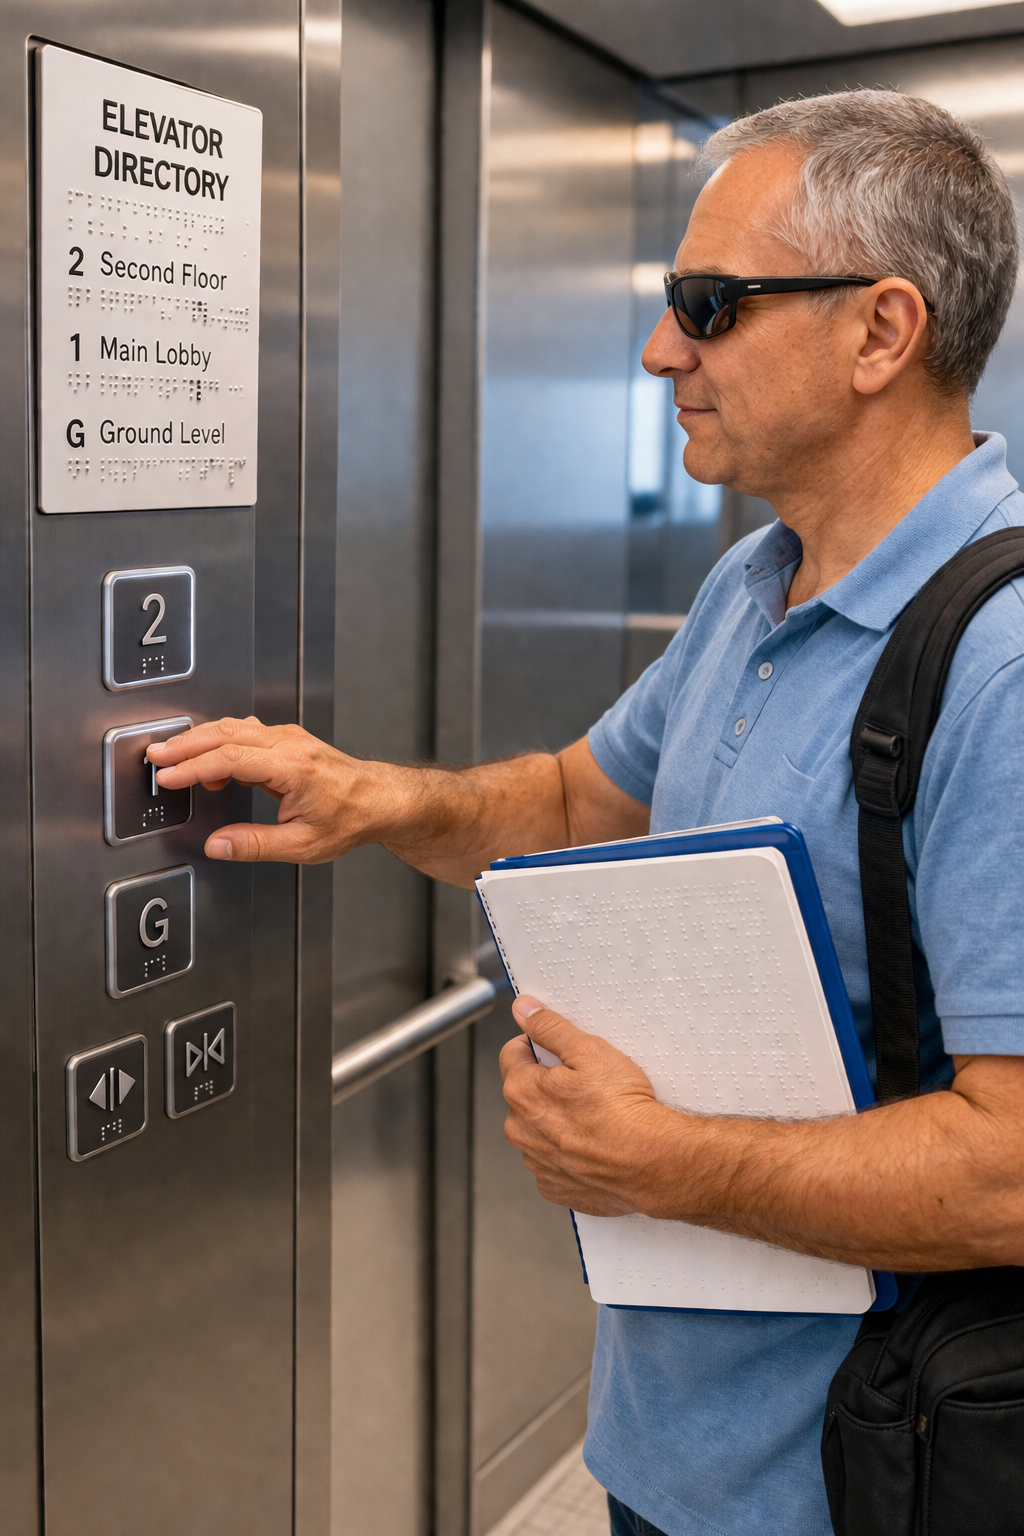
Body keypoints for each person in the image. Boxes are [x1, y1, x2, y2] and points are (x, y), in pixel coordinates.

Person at [148, 90, 1024, 1536]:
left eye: (709, 302)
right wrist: (374, 800)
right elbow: (574, 801)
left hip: (873, 1480)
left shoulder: (996, 668)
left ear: (881, 331)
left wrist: (666, 1165)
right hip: (672, 1458)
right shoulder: (755, 587)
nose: (661, 345)